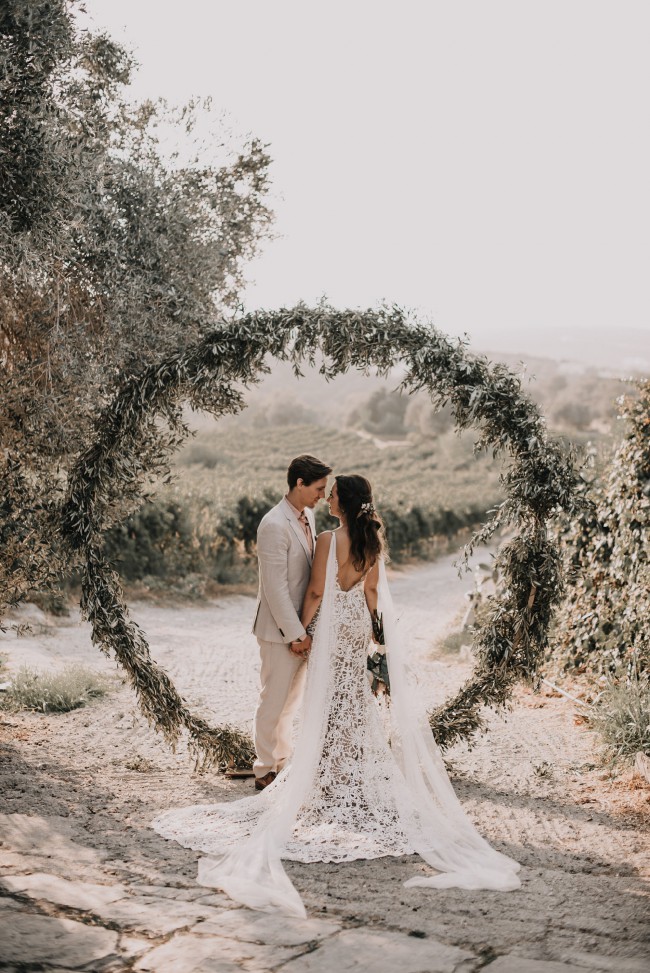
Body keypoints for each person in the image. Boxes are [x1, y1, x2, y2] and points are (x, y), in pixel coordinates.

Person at [152, 474, 521, 917]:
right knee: (353, 700)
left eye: (332, 494)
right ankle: (348, 774)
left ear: (343, 502)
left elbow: (315, 590)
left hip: (330, 625)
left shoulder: (329, 539)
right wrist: (376, 634)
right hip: (357, 628)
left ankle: (325, 778)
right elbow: (371, 592)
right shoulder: (372, 542)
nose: (326, 498)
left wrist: (300, 630)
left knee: (326, 700)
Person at [250, 454, 332, 790]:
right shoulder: (273, 524)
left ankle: (281, 762)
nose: (323, 495)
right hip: (278, 630)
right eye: (318, 488)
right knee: (273, 701)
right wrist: (296, 634)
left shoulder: (308, 516)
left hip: (302, 627)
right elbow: (275, 588)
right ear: (299, 483)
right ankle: (263, 769)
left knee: (290, 703)